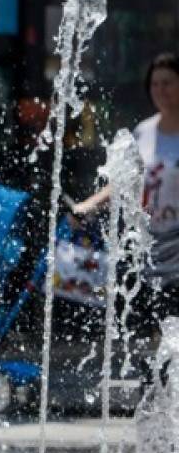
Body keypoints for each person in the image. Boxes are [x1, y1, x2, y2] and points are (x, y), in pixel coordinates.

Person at [73, 52, 179, 347]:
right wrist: (89, 205)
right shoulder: (143, 132)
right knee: (153, 335)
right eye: (155, 84)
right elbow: (124, 182)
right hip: (149, 248)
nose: (161, 90)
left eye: (168, 83)